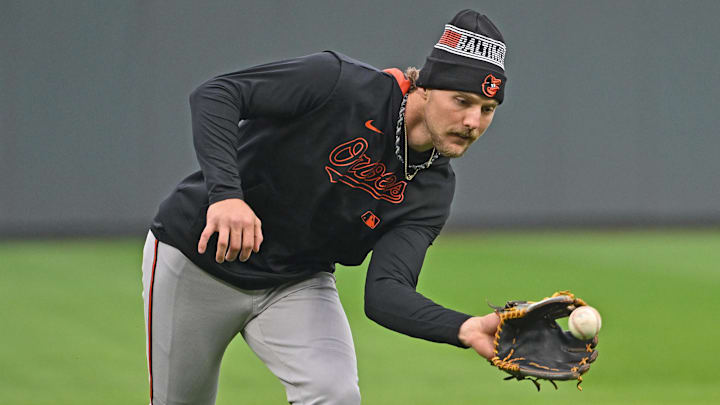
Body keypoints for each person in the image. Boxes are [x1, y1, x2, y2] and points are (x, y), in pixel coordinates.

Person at [142, 9, 508, 405]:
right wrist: (227, 194)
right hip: (200, 261)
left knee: (335, 394)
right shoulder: (339, 84)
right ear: (426, 87)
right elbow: (216, 95)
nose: (473, 120)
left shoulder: (433, 189)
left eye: (487, 109)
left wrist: (466, 328)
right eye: (462, 100)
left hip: (295, 281)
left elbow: (386, 292)